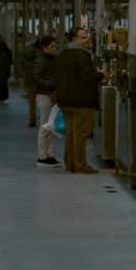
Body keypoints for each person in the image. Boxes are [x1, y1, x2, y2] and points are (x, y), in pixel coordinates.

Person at [54, 27, 100, 174]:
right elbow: (87, 78)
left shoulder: (62, 55)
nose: (87, 40)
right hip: (82, 101)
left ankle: (70, 163)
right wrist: (100, 75)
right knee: (80, 134)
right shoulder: (81, 56)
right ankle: (80, 164)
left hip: (66, 100)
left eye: (87, 37)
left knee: (70, 134)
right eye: (84, 37)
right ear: (75, 39)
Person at [34, 35, 59, 166]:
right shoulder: (41, 60)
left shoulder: (53, 59)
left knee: (50, 126)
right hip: (45, 95)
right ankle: (42, 156)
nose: (55, 49)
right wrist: (50, 84)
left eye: (55, 46)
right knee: (45, 125)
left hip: (51, 94)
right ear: (44, 48)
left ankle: (49, 154)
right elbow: (37, 78)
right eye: (52, 47)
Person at [20, 38, 40, 126]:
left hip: (30, 81)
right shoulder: (41, 56)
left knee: (32, 103)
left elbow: (22, 68)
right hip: (40, 82)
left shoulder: (26, 56)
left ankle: (32, 119)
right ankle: (47, 120)